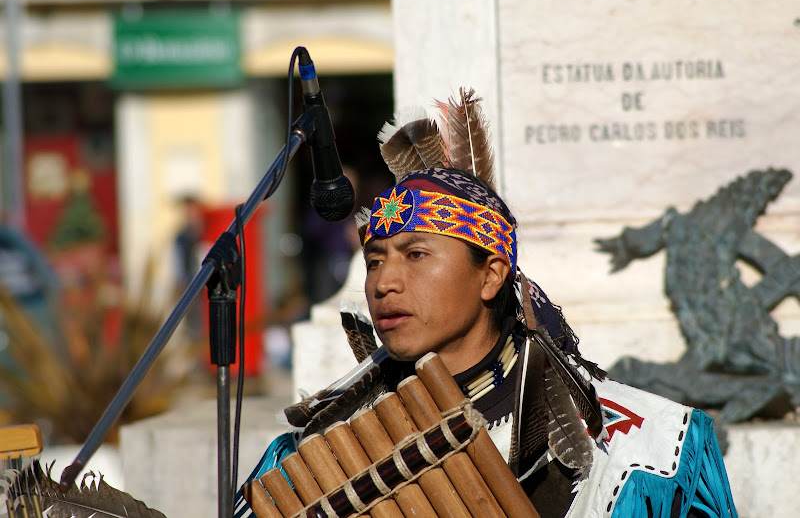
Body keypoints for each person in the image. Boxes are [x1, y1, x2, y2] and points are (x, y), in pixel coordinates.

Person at [238, 89, 737, 518]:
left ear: (491, 276)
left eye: (415, 254)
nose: (383, 282)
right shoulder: (313, 454)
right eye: (372, 261)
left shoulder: (644, 453)